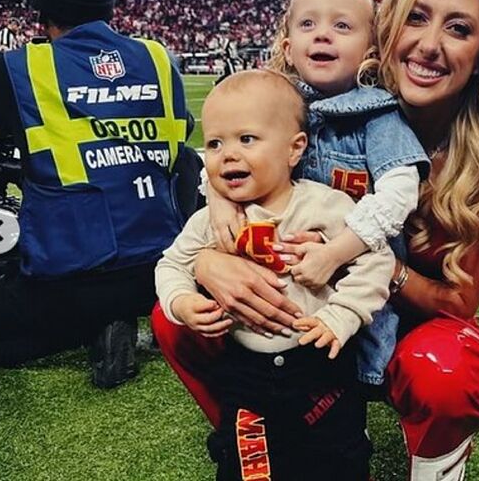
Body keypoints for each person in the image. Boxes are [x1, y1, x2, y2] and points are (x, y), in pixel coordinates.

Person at [153, 0, 479, 480]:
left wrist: (360, 256)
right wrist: (209, 256)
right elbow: (235, 147)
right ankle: (259, 434)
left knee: (445, 371)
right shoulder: (306, 103)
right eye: (418, 18)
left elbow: (457, 301)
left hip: (402, 326)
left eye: (459, 29)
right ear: (386, 29)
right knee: (176, 318)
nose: (429, 44)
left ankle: (437, 466)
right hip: (300, 309)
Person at [0, 0, 202, 389]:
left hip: (74, 276)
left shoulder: (19, 66)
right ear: (109, 9)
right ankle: (126, 314)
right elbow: (181, 135)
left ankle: (95, 323)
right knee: (185, 158)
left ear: (42, 14)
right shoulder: (159, 58)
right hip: (163, 268)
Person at [157, 69, 394, 480]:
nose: (227, 154)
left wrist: (341, 315)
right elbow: (170, 264)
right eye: (215, 143)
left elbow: (376, 260)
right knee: (247, 467)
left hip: (322, 366)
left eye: (246, 139)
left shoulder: (326, 206)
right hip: (245, 371)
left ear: (294, 148)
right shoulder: (210, 221)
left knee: (340, 460)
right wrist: (181, 300)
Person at [209, 0, 430, 391]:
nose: (322, 35)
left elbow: (401, 193)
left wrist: (336, 252)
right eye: (308, 24)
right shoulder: (272, 103)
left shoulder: (378, 116)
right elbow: (224, 153)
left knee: (339, 383)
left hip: (350, 284)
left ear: (371, 48)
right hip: (279, 276)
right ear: (288, 48)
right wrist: (218, 198)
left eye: (341, 25)